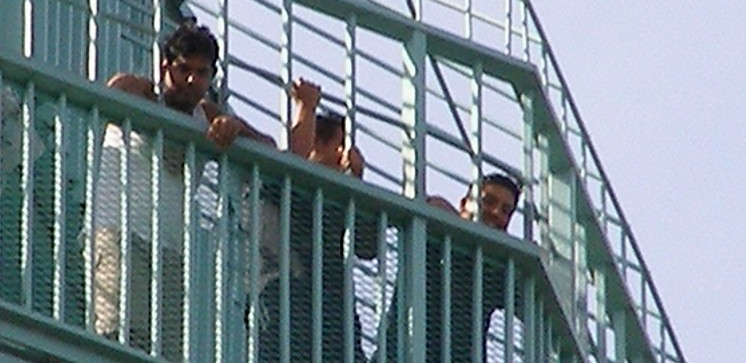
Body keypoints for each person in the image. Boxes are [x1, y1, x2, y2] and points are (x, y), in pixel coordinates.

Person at [92, 23, 290, 360]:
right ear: (164, 66)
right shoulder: (138, 91)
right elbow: (112, 93)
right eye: (183, 69)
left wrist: (234, 127)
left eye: (201, 73)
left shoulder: (205, 115)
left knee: (165, 351)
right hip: (121, 231)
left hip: (171, 247)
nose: (191, 80)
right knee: (118, 335)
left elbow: (269, 148)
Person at [257, 87, 375, 362]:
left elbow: (368, 247)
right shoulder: (282, 179)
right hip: (285, 292)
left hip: (333, 304)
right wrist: (306, 108)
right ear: (319, 144)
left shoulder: (340, 199)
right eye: (341, 143)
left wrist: (357, 181)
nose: (346, 154)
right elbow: (292, 168)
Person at [377, 173, 521, 362]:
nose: (496, 213)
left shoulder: (493, 270)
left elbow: (528, 299)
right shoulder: (434, 233)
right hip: (405, 353)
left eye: (506, 211)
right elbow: (434, 204)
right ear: (464, 204)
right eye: (488, 201)